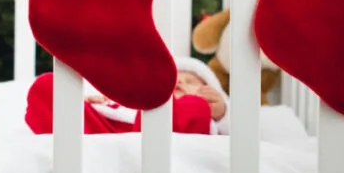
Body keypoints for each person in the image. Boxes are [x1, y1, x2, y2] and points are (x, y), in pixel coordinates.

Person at [25, 56, 230, 136]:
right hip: (106, 130)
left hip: (155, 134)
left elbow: (236, 135)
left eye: (191, 82)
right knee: (49, 86)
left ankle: (142, 144)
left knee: (194, 108)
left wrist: (221, 113)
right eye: (175, 78)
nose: (181, 82)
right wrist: (95, 105)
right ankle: (77, 136)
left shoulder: (208, 112)